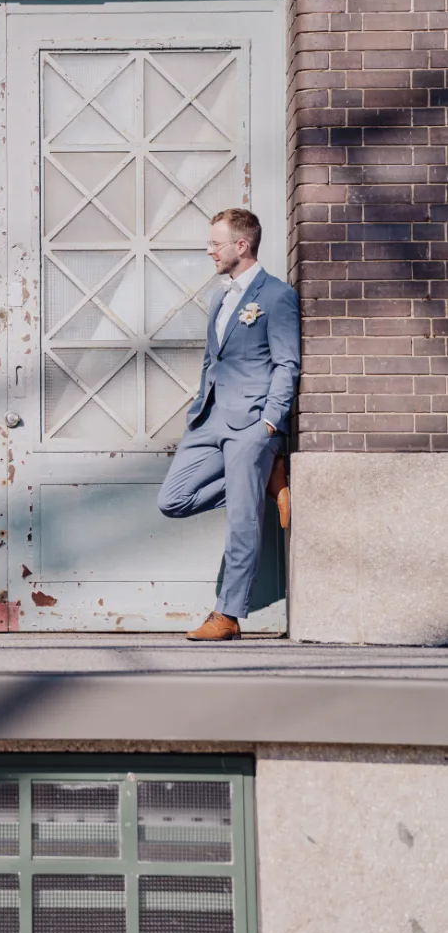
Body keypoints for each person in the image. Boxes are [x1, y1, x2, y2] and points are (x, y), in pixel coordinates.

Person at [158, 209, 300, 641]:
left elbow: (287, 363)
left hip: (251, 425)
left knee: (243, 520)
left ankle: (228, 616)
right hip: (210, 419)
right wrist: (199, 405)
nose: (209, 250)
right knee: (173, 499)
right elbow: (212, 358)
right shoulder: (220, 297)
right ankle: (269, 479)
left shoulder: (276, 296)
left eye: (215, 243)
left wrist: (270, 424)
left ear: (241, 245)